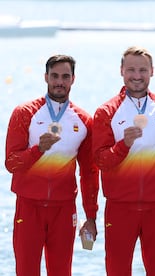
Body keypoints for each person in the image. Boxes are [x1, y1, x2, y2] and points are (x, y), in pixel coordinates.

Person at [92, 46, 155, 276]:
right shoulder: (106, 112)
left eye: (142, 70)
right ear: (121, 71)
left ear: (152, 72)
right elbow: (100, 161)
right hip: (120, 208)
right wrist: (123, 146)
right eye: (131, 70)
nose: (136, 76)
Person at [4, 54, 99, 276]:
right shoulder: (24, 113)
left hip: (64, 210)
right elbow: (11, 163)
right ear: (46, 77)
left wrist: (91, 216)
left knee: (61, 272)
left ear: (73, 79)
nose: (59, 82)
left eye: (65, 76)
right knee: (26, 271)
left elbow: (89, 173)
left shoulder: (84, 121)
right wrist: (38, 150)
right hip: (29, 207)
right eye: (54, 76)